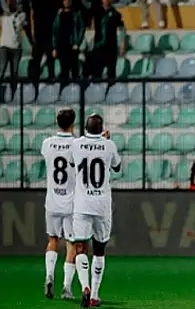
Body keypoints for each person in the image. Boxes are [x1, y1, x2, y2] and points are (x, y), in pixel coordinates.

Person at [71, 114, 122, 308]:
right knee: (99, 250)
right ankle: (94, 295)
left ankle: (84, 286)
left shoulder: (76, 144)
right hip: (102, 205)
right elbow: (117, 167)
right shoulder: (109, 145)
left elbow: (72, 164)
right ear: (102, 129)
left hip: (82, 204)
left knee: (80, 248)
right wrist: (105, 141)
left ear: (85, 127)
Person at [42, 108, 78, 301]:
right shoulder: (76, 144)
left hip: (52, 201)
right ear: (73, 123)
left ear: (57, 122)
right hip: (71, 203)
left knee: (52, 240)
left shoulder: (47, 143)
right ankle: (66, 287)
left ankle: (49, 275)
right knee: (71, 243)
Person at [83, 0, 126, 83]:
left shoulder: (116, 14)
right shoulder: (97, 12)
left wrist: (122, 43)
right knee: (97, 74)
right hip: (99, 47)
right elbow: (85, 3)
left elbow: (122, 29)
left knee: (111, 74)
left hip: (111, 48)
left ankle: (111, 90)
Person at [51, 0, 86, 85]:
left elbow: (82, 28)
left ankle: (76, 90)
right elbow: (54, 31)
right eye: (65, 0)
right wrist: (54, 47)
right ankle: (64, 89)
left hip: (72, 46)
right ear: (63, 2)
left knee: (74, 70)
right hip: (61, 46)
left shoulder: (76, 14)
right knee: (64, 70)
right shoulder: (59, 14)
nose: (67, 1)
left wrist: (77, 43)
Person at [0, 0, 29, 93]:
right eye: (8, 1)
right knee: (1, 71)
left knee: (14, 73)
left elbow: (25, 27)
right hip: (4, 47)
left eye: (12, 0)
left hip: (16, 48)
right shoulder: (3, 15)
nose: (10, 2)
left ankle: (13, 95)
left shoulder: (21, 15)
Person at [29, 0, 56, 83]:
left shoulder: (52, 5)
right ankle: (34, 79)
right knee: (36, 59)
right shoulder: (37, 4)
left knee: (50, 59)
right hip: (39, 37)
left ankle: (51, 78)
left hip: (49, 36)